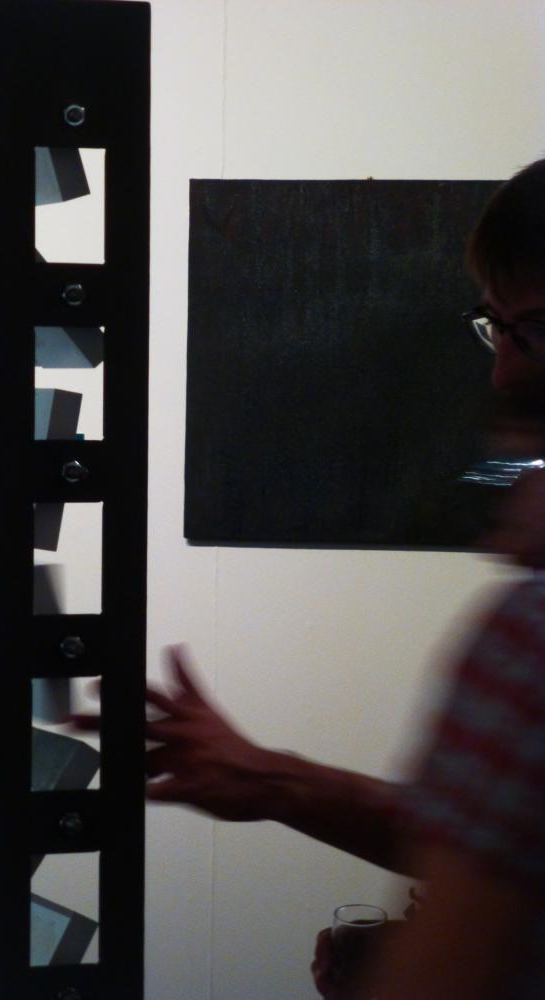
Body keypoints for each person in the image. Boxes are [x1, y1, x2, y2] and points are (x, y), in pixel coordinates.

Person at [71, 158, 545, 998]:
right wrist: (273, 780)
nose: (504, 371)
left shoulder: (528, 644)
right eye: (496, 327)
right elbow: (508, 835)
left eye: (534, 329)